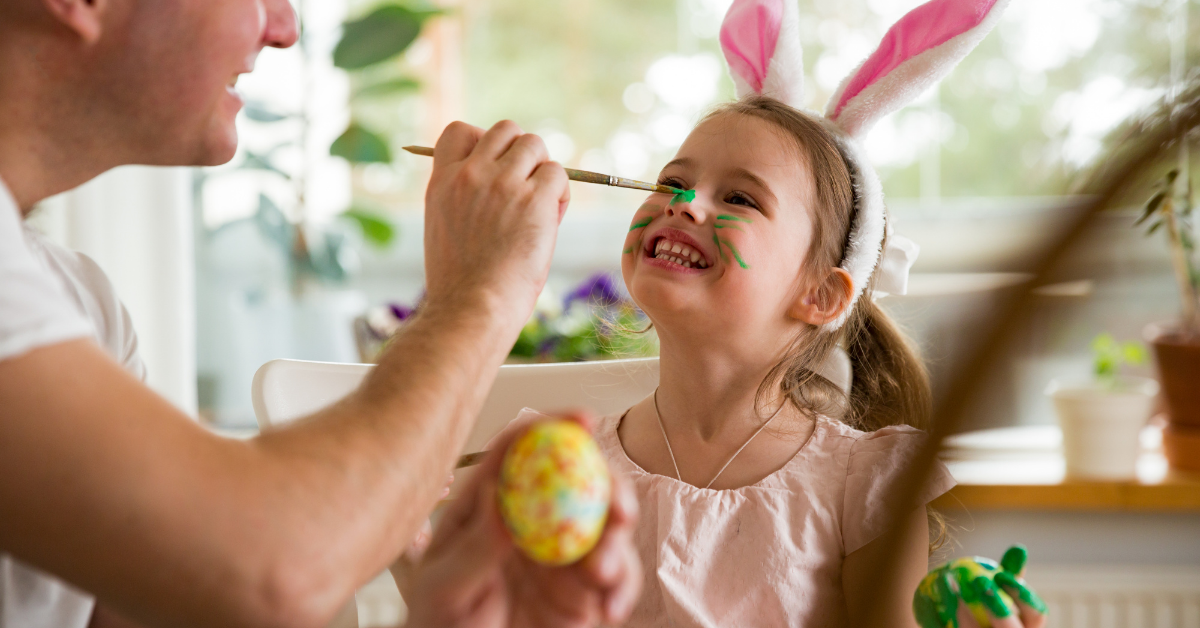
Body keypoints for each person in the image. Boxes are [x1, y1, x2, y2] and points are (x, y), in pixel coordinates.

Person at [0, 1, 640, 627]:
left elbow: (180, 596)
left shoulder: (79, 299)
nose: (284, 27)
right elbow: (270, 571)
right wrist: (481, 295)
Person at [493, 0, 1048, 625]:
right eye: (672, 182)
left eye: (738, 197)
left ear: (821, 296)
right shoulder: (564, 466)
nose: (683, 204)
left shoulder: (862, 486)